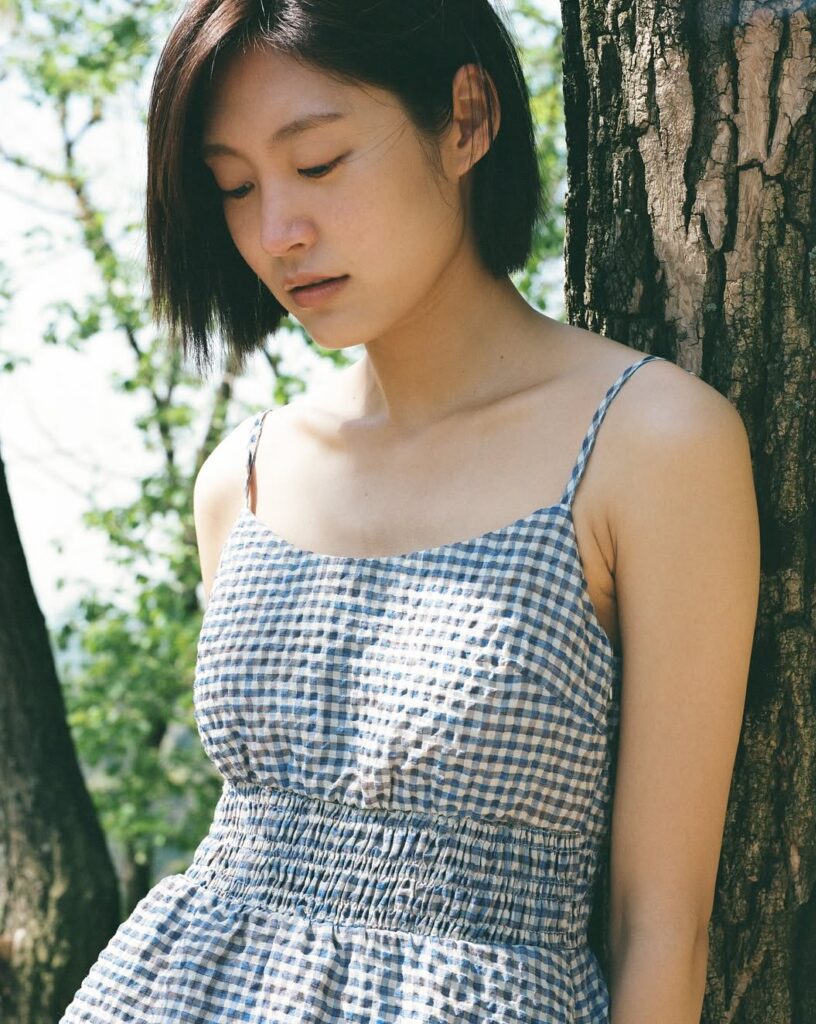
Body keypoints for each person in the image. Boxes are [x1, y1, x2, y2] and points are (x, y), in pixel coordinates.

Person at [59, 0, 761, 1021]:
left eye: (319, 163)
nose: (276, 232)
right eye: (235, 187)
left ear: (467, 118)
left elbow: (658, 923)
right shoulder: (241, 478)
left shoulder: (648, 442)